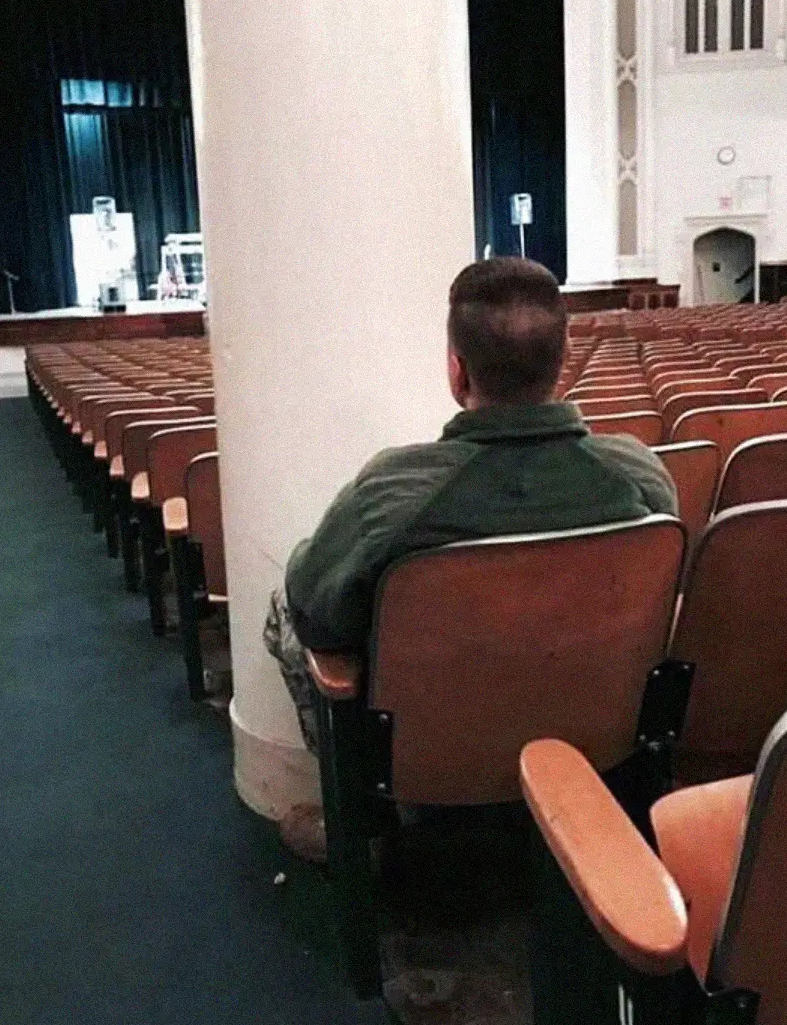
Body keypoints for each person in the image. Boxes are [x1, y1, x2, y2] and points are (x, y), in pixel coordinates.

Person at [268, 257, 676, 860]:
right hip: (595, 732)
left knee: (283, 609)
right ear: (561, 364)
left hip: (426, 753)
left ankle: (362, 823)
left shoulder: (394, 490)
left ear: (457, 372)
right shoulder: (642, 477)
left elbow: (315, 612)